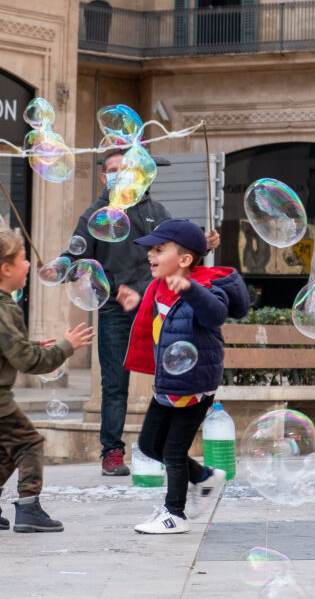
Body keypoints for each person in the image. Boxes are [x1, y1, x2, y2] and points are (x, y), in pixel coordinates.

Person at [54, 149, 217, 477]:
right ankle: (112, 453)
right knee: (115, 384)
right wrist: (60, 267)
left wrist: (204, 246)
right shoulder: (95, 215)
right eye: (112, 170)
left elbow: (178, 255)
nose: (118, 175)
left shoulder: (157, 211)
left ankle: (170, 449)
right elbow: (73, 258)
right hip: (115, 309)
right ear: (103, 177)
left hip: (157, 307)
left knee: (174, 373)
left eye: (124, 169)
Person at [0, 230, 94, 533]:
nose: (29, 265)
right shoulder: (4, 307)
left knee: (13, 440)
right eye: (23, 259)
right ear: (6, 270)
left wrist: (32, 344)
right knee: (29, 443)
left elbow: (2, 346)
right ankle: (29, 508)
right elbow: (28, 363)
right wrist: (66, 347)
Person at [119, 219, 249, 534]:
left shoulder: (205, 286)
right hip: (170, 380)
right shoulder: (159, 286)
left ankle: (174, 514)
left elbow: (215, 313)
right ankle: (204, 478)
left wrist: (191, 290)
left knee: (174, 450)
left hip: (193, 382)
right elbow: (164, 325)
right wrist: (137, 305)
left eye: (159, 249)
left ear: (185, 260)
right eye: (151, 249)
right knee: (150, 444)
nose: (151, 254)